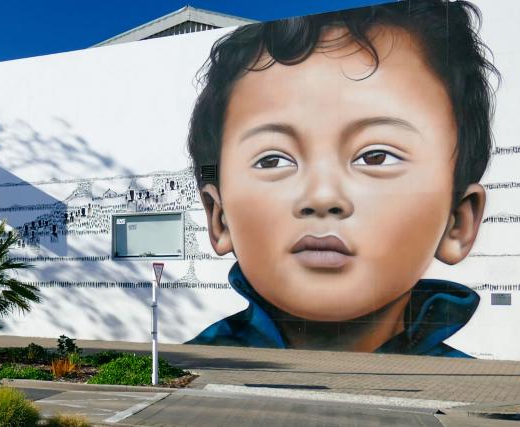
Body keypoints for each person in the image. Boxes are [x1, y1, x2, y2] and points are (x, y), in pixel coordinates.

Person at [185, 0, 499, 357]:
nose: (321, 196)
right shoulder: (194, 369)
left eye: (376, 156)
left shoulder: (460, 387)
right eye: (273, 159)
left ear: (458, 222)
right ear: (219, 217)